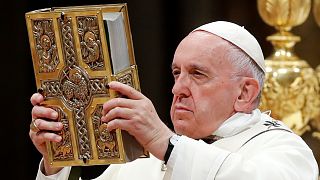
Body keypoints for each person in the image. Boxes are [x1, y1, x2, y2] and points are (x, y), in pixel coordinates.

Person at [29, 21, 319, 180]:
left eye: (197, 74)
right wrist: (56, 163)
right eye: (176, 73)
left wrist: (165, 143)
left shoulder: (283, 149)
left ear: (245, 93)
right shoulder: (139, 161)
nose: (177, 88)